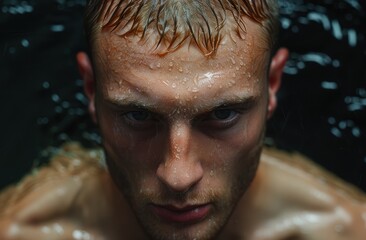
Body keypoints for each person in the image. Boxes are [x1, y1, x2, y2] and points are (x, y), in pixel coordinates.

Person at [0, 0, 365, 239]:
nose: (178, 176)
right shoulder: (21, 231)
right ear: (91, 89)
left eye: (222, 114)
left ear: (273, 84)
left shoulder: (344, 229)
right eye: (138, 115)